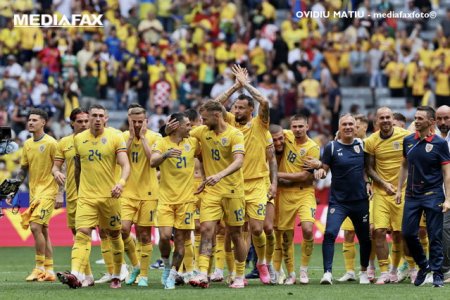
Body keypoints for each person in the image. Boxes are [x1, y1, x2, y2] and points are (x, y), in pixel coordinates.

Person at [215, 65, 277, 284]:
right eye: (235, 107)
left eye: (241, 108)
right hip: (236, 184)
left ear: (250, 110)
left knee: (257, 228)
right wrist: (235, 85)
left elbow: (265, 102)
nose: (236, 111)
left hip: (258, 183)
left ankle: (261, 262)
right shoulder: (230, 123)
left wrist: (247, 85)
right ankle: (237, 273)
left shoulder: (260, 124)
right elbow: (215, 105)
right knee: (237, 229)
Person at [57, 104, 130, 289]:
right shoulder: (79, 139)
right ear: (89, 118)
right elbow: (77, 168)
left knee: (114, 235)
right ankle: (75, 274)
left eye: (100, 116)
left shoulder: (116, 136)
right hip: (86, 197)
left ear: (105, 118)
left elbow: (125, 164)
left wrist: (120, 184)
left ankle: (116, 274)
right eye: (94, 116)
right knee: (82, 234)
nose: (97, 119)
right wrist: (79, 190)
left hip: (109, 197)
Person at [188, 100, 247, 289]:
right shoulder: (202, 132)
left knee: (236, 234)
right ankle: (203, 272)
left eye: (204, 118)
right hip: (211, 192)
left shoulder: (235, 134)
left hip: (233, 191)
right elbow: (182, 133)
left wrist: (219, 175)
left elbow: (239, 161)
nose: (201, 122)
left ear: (217, 116)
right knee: (206, 229)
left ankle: (239, 274)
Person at [312, 114, 372, 285]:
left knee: (364, 238)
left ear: (356, 127)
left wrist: (368, 183)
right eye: (344, 124)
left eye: (351, 124)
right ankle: (327, 273)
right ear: (339, 127)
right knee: (330, 233)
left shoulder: (363, 145)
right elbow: (324, 169)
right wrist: (319, 172)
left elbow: (367, 168)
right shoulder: (331, 147)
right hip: (338, 201)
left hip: (360, 200)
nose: (348, 127)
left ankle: (363, 272)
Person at [396, 106, 450, 288]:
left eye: (420, 118)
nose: (416, 121)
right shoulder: (408, 140)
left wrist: (448, 198)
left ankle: (437, 273)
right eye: (415, 117)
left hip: (433, 194)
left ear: (431, 122)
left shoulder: (440, 144)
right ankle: (423, 265)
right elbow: (404, 165)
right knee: (408, 234)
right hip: (412, 195)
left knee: (435, 235)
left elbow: (446, 173)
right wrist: (398, 189)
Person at [9, 108, 59, 282]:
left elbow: (60, 168)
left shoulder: (52, 143)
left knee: (35, 226)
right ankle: (49, 270)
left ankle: (38, 268)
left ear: (43, 123)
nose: (30, 122)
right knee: (43, 230)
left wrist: (60, 194)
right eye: (29, 120)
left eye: (34, 120)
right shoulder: (28, 145)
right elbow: (23, 169)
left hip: (49, 191)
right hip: (34, 192)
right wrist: (14, 186)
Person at [151, 113, 200, 289]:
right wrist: (166, 155)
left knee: (180, 239)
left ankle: (172, 274)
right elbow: (152, 161)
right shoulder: (162, 142)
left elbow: (205, 157)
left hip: (186, 200)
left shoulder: (193, 142)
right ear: (177, 126)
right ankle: (165, 264)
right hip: (165, 199)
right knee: (164, 237)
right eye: (187, 125)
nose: (190, 127)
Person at [364, 107, 412, 284]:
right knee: (378, 231)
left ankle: (409, 268)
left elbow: (413, 160)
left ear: (392, 119)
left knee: (403, 233)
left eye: (388, 117)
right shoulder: (371, 141)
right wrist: (383, 184)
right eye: (381, 118)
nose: (385, 120)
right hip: (381, 192)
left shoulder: (406, 136)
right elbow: (368, 167)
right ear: (376, 121)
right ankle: (384, 271)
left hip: (403, 190)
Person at [276, 114, 320, 285]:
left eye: (301, 126)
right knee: (286, 237)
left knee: (308, 229)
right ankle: (290, 273)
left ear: (307, 127)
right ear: (290, 127)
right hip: (285, 194)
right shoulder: (285, 136)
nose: (297, 130)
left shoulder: (312, 147)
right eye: (294, 126)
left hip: (304, 193)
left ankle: (303, 270)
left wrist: (275, 174)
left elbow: (304, 176)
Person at [122, 106, 161, 287]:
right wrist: (131, 138)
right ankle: (136, 265)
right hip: (127, 192)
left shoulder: (155, 138)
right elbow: (120, 159)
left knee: (144, 235)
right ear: (128, 120)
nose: (137, 125)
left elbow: (152, 161)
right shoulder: (121, 137)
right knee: (122, 230)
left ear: (146, 121)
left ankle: (143, 275)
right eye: (133, 121)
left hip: (149, 192)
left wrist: (143, 137)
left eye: (140, 121)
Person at [52, 108, 92, 286]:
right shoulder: (64, 142)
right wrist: (59, 189)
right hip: (75, 196)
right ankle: (86, 276)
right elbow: (56, 167)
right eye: (80, 121)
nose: (84, 124)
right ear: (72, 123)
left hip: (97, 194)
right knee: (79, 235)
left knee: (111, 234)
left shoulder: (97, 139)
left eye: (86, 121)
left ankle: (119, 271)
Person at [436, 105, 450, 283]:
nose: (443, 122)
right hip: (438, 192)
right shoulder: (433, 138)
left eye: (446, 118)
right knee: (441, 230)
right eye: (439, 119)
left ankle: (446, 270)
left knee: (445, 229)